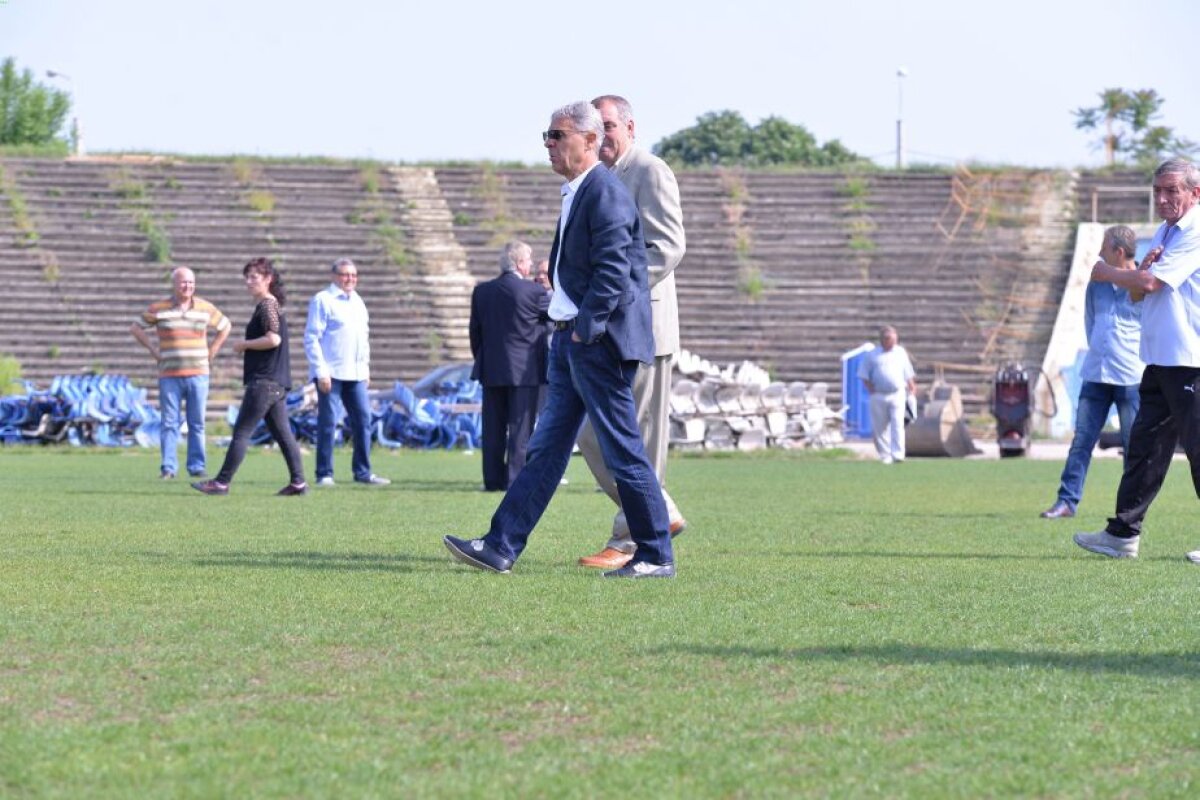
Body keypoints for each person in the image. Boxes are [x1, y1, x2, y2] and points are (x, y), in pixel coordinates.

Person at [443, 100, 675, 578]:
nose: (549, 145)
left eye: (558, 136)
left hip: (594, 344)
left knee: (622, 450)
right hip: (570, 342)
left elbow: (614, 272)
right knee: (545, 448)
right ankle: (501, 545)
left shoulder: (605, 193)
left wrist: (587, 329)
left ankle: (654, 554)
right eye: (547, 136)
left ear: (589, 141)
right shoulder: (579, 191)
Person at [576, 94, 689, 570]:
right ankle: (658, 511)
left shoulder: (649, 169)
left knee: (638, 439)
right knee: (592, 435)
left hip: (646, 325)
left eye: (609, 126)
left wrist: (613, 288)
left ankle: (629, 541)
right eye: (595, 129)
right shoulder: (601, 177)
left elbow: (668, 245)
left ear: (629, 126)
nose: (603, 136)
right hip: (614, 326)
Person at [1074, 158, 1200, 561]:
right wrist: (1135, 276)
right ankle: (1122, 534)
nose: (1162, 199)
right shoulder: (1167, 231)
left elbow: (1148, 282)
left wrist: (1106, 272)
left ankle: (1123, 532)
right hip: (1160, 358)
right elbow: (1140, 292)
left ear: (1195, 193)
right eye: (1157, 192)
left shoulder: (1195, 231)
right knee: (1144, 449)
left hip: (1190, 358)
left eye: (1172, 191)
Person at [1041, 226, 1143, 519]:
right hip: (1096, 375)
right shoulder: (1097, 284)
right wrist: (1101, 349)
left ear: (1118, 252)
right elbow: (1090, 322)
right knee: (1082, 442)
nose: (1099, 253)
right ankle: (1066, 502)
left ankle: (1130, 510)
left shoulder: (1143, 284)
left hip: (1131, 378)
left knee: (1132, 448)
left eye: (1104, 248)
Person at [193, 258, 308, 496]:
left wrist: (244, 345)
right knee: (283, 435)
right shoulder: (270, 305)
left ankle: (221, 482)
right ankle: (298, 483)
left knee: (242, 432)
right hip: (276, 382)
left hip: (265, 381)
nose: (248, 282)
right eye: (246, 277)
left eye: (253, 277)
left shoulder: (267, 305)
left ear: (268, 279)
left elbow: (273, 338)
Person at [130, 266, 231, 479]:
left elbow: (225, 326)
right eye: (184, 282)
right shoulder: (160, 308)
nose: (188, 286)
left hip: (198, 373)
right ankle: (168, 467)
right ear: (174, 284)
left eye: (191, 283)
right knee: (169, 422)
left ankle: (196, 466)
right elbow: (136, 328)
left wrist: (212, 351)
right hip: (170, 374)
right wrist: (153, 351)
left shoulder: (204, 307)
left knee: (197, 423)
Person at [469, 241, 550, 491]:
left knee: (493, 429)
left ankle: (492, 480)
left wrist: (483, 359)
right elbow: (553, 320)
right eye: (528, 261)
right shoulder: (533, 292)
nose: (531, 266)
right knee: (520, 430)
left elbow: (475, 332)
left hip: (491, 370)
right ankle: (515, 480)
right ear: (518, 263)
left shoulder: (482, 291)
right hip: (525, 371)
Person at [303, 257, 389, 487]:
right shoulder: (323, 300)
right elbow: (312, 338)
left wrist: (366, 368)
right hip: (331, 373)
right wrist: (321, 371)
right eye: (344, 274)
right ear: (334, 276)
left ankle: (363, 471)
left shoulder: (358, 302)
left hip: (356, 373)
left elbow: (364, 339)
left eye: (353, 275)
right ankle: (324, 473)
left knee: (363, 420)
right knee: (328, 423)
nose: (349, 279)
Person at [857, 325, 916, 464]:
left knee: (897, 424)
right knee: (880, 427)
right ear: (883, 339)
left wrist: (912, 388)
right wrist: (871, 389)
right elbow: (863, 375)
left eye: (895, 339)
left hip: (897, 393)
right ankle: (885, 455)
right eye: (890, 339)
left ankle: (898, 454)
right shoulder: (872, 355)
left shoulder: (901, 352)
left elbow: (908, 373)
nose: (893, 342)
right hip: (879, 394)